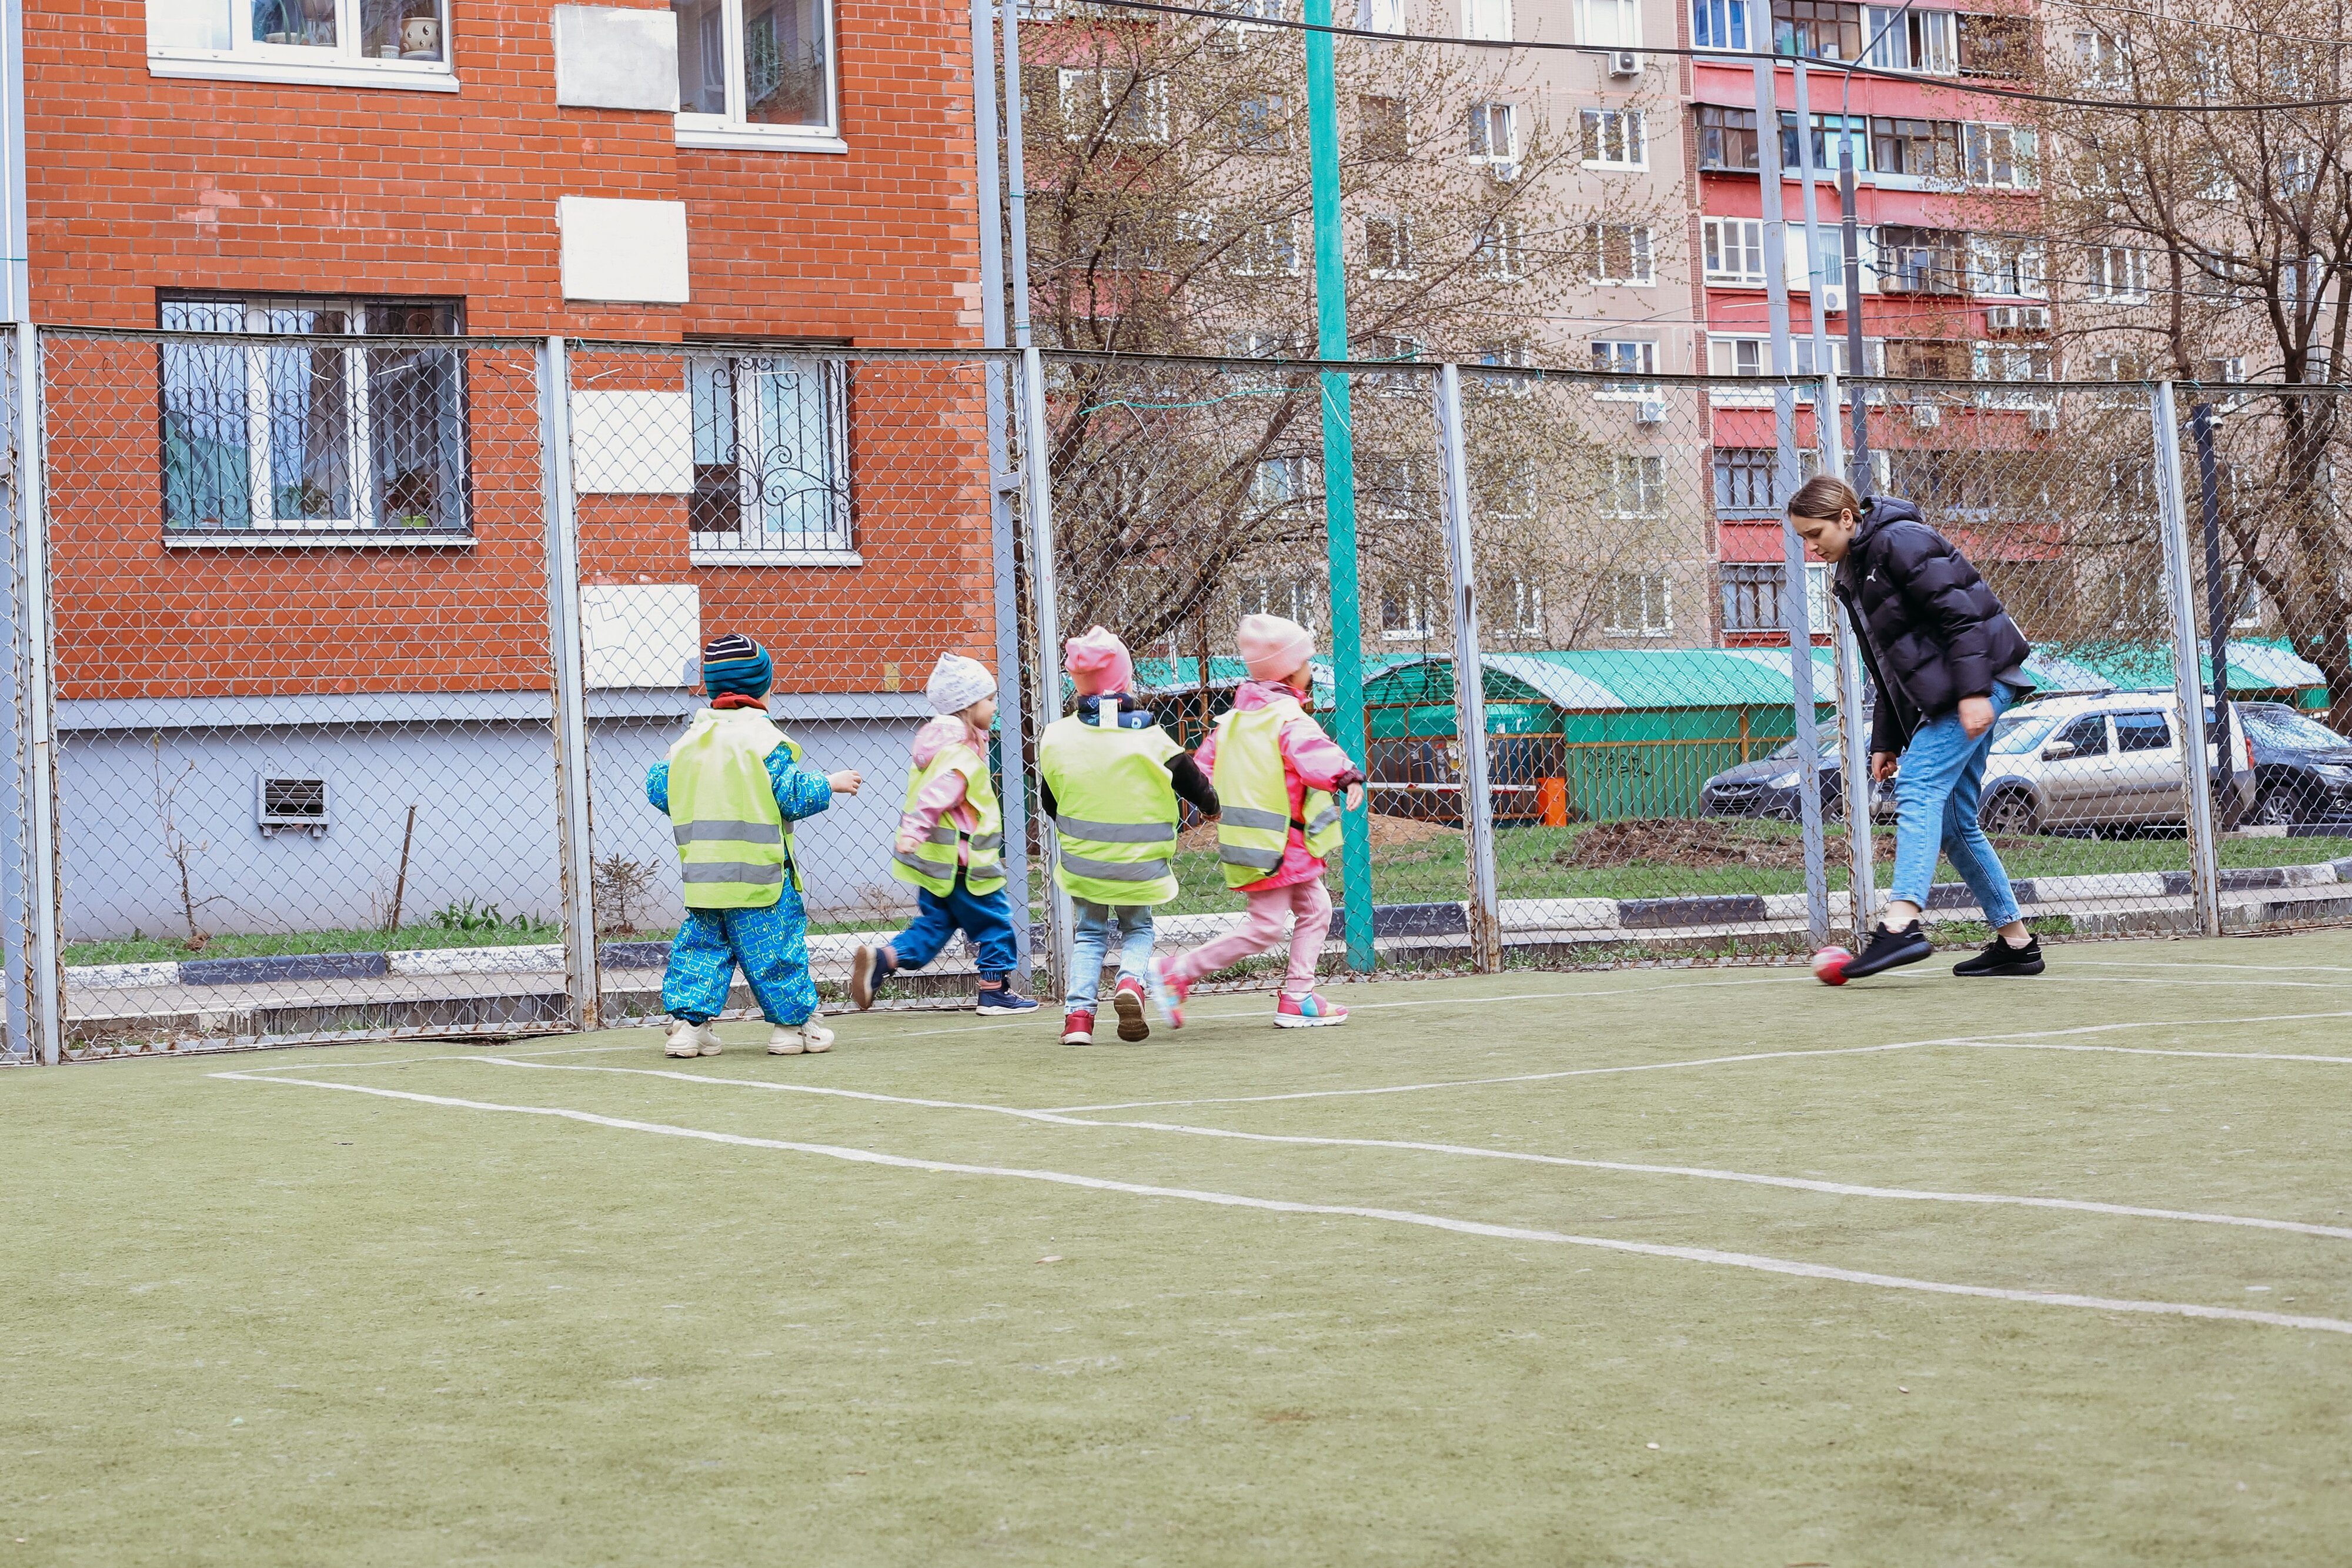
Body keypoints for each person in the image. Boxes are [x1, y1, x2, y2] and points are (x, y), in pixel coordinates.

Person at [1788, 475, 2046, 980]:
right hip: (1958, 688)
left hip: (1976, 682)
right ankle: (2017, 944)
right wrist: (1886, 738)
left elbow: (1963, 619)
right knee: (1953, 822)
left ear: (1847, 518)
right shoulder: (1856, 566)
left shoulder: (1900, 541)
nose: (1810, 546)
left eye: (1815, 533)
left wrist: (1974, 692)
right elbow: (1889, 662)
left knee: (1922, 785)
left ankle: (1901, 925)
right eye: (1802, 537)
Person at [649, 633, 863, 1058]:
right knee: (776, 950)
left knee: (702, 949)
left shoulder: (691, 740)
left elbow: (660, 787)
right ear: (763, 689)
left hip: (706, 877)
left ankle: (689, 1029)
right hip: (760, 872)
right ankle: (792, 1028)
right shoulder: (764, 740)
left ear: (712, 687)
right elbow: (790, 793)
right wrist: (830, 783)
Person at [1150, 614, 1367, 1028]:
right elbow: (1312, 751)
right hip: (1278, 847)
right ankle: (1177, 972)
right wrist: (1346, 774)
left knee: (1317, 907)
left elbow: (1203, 769)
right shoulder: (1287, 718)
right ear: (1290, 670)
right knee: (1266, 927)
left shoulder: (1232, 722)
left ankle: (1298, 996)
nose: (1311, 669)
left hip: (1264, 845)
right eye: (1307, 662)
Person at [1038, 626, 1220, 1045]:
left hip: (1085, 864)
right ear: (1124, 683)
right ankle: (1129, 983)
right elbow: (1193, 781)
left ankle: (1078, 1020)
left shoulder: (1059, 737)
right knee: (1138, 929)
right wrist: (1212, 807)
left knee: (1089, 933)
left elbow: (1052, 801)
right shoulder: (1150, 738)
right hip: (1140, 864)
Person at [848, 654, 1041, 1015]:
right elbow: (936, 796)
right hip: (965, 867)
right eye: (989, 699)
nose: (995, 705)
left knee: (937, 923)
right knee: (994, 922)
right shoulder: (960, 754)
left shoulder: (936, 746)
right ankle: (994, 990)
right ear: (968, 707)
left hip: (938, 867)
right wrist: (914, 831)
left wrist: (914, 837)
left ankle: (885, 958)